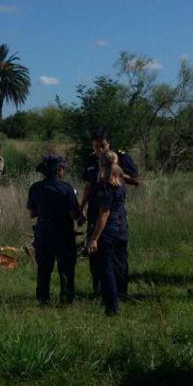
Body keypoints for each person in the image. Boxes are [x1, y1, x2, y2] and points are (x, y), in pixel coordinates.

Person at [80, 129, 141, 299]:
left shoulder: (120, 158)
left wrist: (118, 173)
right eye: (96, 146)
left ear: (108, 144)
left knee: (118, 254)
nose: (99, 150)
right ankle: (99, 290)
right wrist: (81, 208)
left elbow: (137, 180)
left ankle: (121, 292)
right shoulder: (91, 160)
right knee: (94, 251)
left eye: (103, 146)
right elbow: (88, 187)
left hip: (114, 212)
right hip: (94, 211)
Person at [27, 154, 79, 305]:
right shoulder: (67, 189)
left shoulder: (35, 188)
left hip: (43, 233)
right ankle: (66, 298)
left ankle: (43, 298)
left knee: (44, 268)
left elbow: (31, 213)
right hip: (63, 233)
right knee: (66, 268)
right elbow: (74, 215)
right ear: (59, 170)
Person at [86, 151, 128, 316]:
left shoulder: (106, 186)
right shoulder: (120, 183)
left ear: (101, 166)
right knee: (118, 265)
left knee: (107, 269)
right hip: (121, 229)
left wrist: (94, 238)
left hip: (108, 231)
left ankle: (111, 308)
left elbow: (104, 213)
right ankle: (118, 297)